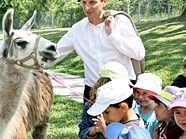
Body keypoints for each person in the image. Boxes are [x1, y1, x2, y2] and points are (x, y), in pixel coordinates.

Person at [52, 0, 145, 103]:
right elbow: (54, 54)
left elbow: (139, 53)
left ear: (104, 2)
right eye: (84, 2)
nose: (87, 8)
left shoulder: (120, 21)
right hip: (93, 92)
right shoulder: (77, 30)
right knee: (91, 119)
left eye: (92, 2)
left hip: (122, 89)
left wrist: (113, 35)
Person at [78, 61, 133, 138]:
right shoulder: (90, 105)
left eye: (106, 112)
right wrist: (95, 129)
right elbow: (82, 132)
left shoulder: (130, 106)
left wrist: (105, 131)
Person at [87, 80, 151, 139]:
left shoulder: (135, 132)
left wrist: (104, 131)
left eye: (107, 112)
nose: (105, 119)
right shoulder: (124, 124)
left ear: (123, 108)